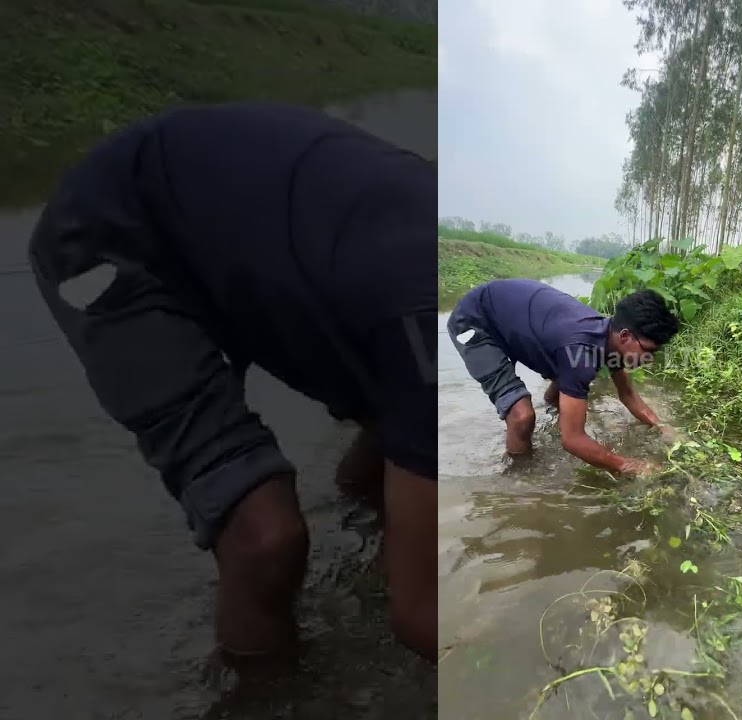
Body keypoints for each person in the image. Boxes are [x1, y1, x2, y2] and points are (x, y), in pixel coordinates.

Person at [26, 103, 436, 668]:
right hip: (113, 234)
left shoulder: (429, 301)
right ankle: (263, 698)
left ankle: (364, 525)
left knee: (405, 438)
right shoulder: (423, 325)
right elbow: (421, 616)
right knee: (265, 540)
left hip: (259, 235)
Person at [446, 278, 679, 474]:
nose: (649, 358)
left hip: (513, 318)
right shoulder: (580, 351)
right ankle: (519, 478)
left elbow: (628, 395)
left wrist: (662, 427)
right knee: (522, 417)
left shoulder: (608, 340)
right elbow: (572, 440)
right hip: (475, 320)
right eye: (648, 351)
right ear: (626, 336)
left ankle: (551, 405)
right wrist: (632, 466)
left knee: (568, 381)